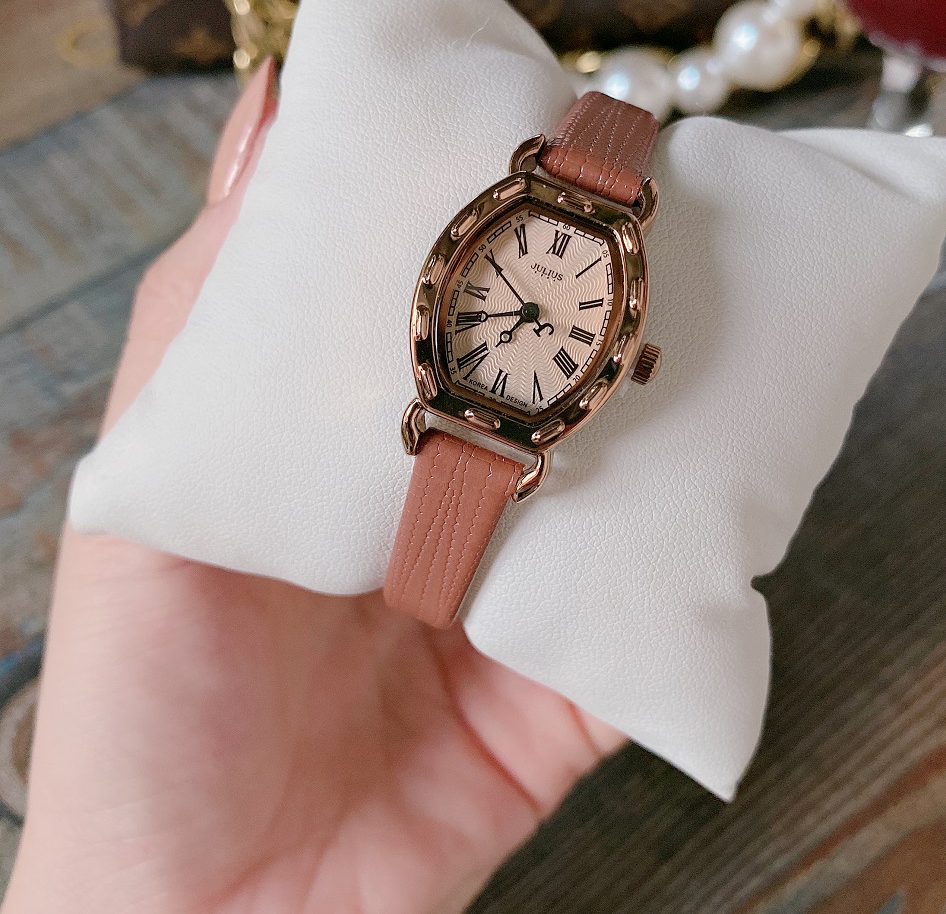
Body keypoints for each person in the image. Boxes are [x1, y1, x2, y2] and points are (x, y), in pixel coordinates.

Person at [1, 62, 623, 914]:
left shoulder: (590, 271)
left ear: (622, 357)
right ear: (454, 273)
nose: (529, 315)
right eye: (517, 304)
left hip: (502, 435)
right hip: (460, 413)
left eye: (549, 325)